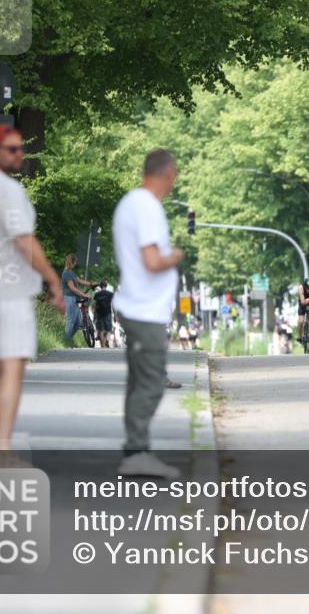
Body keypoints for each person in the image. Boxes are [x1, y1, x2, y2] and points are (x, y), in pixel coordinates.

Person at [0, 125, 65, 453]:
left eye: (20, 149)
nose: (19, 154)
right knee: (12, 368)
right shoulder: (8, 190)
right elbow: (23, 240)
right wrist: (53, 278)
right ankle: (2, 449)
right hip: (8, 289)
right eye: (11, 149)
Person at [113, 148, 184, 478]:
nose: (174, 183)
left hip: (138, 305)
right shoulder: (147, 207)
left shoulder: (131, 202)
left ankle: (135, 450)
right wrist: (175, 256)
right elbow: (153, 261)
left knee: (138, 381)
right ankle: (136, 451)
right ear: (167, 175)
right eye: (175, 175)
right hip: (145, 309)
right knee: (153, 382)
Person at [61, 254, 94, 346]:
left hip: (75, 299)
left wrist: (92, 284)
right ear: (73, 262)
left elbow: (80, 281)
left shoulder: (71, 273)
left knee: (78, 322)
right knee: (71, 320)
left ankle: (67, 339)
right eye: (75, 262)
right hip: (69, 298)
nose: (76, 263)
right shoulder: (66, 273)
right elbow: (72, 288)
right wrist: (84, 294)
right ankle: (66, 341)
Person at [93, 279, 115, 347]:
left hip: (99, 313)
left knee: (101, 330)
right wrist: (115, 314)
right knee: (108, 329)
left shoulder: (97, 294)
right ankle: (106, 340)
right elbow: (113, 304)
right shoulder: (110, 294)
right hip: (108, 313)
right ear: (106, 286)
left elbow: (96, 304)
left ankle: (102, 345)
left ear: (100, 286)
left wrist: (94, 314)